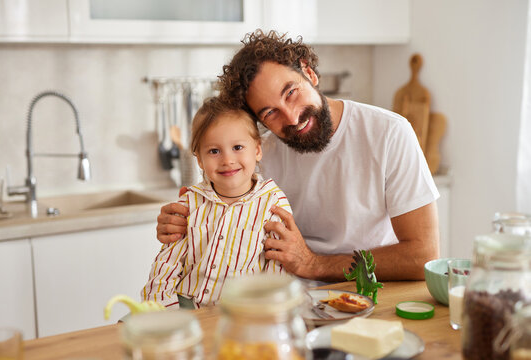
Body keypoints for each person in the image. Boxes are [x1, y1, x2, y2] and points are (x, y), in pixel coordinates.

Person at [157, 30, 440, 282]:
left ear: (309, 73)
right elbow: (221, 215)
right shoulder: (259, 155)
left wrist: (315, 264)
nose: (292, 117)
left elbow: (422, 256)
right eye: (270, 112)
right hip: (291, 301)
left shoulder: (389, 133)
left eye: (291, 92)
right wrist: (184, 220)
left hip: (371, 292)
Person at [142, 96, 292, 308]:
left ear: (257, 150)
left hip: (243, 314)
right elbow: (167, 264)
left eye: (238, 147)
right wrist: (164, 311)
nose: (227, 160)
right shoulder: (190, 201)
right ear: (200, 160)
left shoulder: (274, 204)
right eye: (214, 151)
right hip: (186, 309)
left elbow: (277, 272)